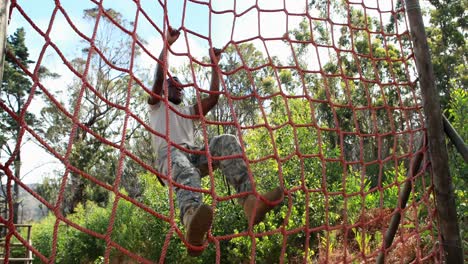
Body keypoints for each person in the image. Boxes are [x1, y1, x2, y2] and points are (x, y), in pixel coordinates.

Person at [148, 27, 283, 256]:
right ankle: (191, 219)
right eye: (174, 85)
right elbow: (160, 75)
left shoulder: (188, 111)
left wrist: (214, 65)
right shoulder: (156, 105)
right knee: (185, 168)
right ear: (164, 89)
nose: (179, 88)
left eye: (181, 86)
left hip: (191, 152)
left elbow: (213, 98)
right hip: (169, 155)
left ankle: (249, 202)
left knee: (225, 142)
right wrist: (167, 45)